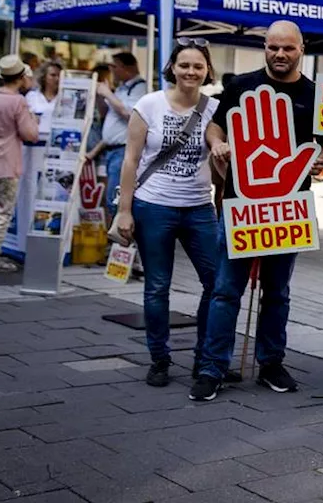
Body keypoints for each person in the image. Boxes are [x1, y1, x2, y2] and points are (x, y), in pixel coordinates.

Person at [190, 20, 323, 402]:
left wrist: (321, 160)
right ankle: (213, 368)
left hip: (289, 209)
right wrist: (218, 145)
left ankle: (271, 362)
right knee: (226, 291)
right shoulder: (240, 85)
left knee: (277, 293)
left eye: (287, 48)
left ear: (301, 49)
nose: (279, 54)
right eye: (273, 47)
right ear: (265, 47)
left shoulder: (314, 93)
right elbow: (215, 128)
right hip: (241, 204)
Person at [110, 41, 220, 388]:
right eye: (184, 65)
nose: (190, 72)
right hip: (153, 205)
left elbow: (219, 159)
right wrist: (125, 211)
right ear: (172, 67)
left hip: (200, 207)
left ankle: (206, 358)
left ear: (207, 71)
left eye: (198, 67)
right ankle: (159, 358)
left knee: (217, 283)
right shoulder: (149, 104)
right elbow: (130, 160)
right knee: (157, 286)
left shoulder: (214, 108)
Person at [0, 56, 39, 271]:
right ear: (20, 77)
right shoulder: (18, 102)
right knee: (2, 210)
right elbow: (30, 134)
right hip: (6, 163)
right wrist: (34, 121)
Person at [99, 52, 148, 216]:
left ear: (128, 67)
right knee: (111, 196)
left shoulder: (139, 88)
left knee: (115, 197)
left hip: (123, 149)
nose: (111, 70)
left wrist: (107, 94)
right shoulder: (121, 88)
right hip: (111, 150)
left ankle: (120, 236)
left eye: (115, 66)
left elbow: (129, 114)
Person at [25, 61, 61, 139]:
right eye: (53, 75)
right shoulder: (32, 96)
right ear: (44, 77)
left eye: (59, 76)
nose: (57, 79)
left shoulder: (65, 98)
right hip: (35, 142)